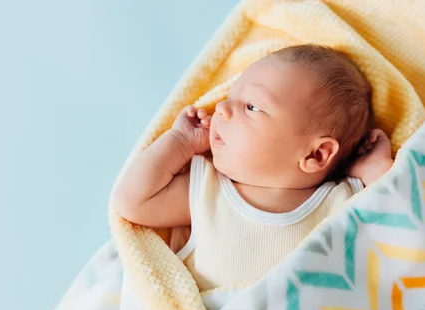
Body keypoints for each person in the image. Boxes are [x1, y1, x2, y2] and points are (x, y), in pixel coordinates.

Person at [112, 44, 393, 292]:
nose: (221, 107)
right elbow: (132, 202)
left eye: (250, 106)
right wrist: (180, 142)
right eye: (230, 96)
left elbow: (396, 221)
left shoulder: (341, 201)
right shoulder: (207, 190)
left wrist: (375, 168)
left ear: (317, 154)